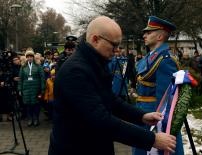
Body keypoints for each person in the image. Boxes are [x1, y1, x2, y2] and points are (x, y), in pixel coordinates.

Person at [48, 16, 176, 155]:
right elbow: (100, 120)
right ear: (95, 39)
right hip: (76, 148)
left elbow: (110, 100)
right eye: (113, 45)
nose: (116, 51)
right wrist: (152, 140)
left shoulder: (95, 62)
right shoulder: (76, 71)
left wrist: (141, 116)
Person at [133, 16, 184, 155]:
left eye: (149, 33)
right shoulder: (150, 57)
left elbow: (166, 103)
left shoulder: (165, 61)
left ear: (160, 36)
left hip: (154, 119)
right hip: (143, 115)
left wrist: (161, 129)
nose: (144, 35)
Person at [18, 48, 45, 126]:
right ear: (26, 57)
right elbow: (21, 79)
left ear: (33, 57)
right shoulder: (23, 67)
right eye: (28, 56)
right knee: (28, 104)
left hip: (36, 88)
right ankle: (30, 119)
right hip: (26, 88)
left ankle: (36, 118)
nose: (29, 58)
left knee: (36, 104)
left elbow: (42, 78)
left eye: (31, 56)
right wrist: (20, 89)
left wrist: (42, 89)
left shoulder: (38, 66)